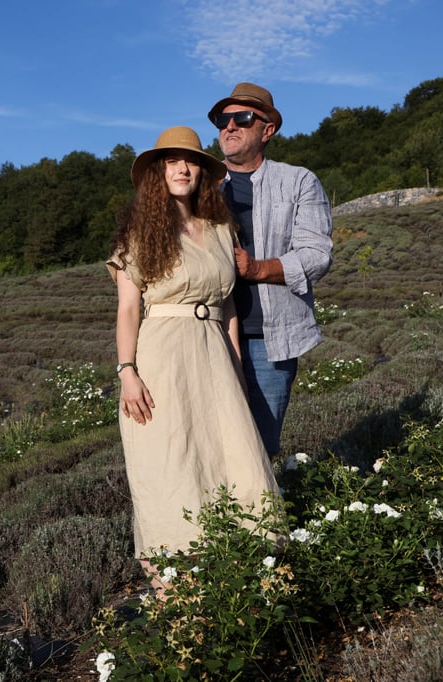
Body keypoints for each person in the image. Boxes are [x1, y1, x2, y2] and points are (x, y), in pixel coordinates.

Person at [106, 126, 279, 577]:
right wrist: (127, 371)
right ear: (157, 173)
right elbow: (128, 309)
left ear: (203, 170)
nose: (182, 168)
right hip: (163, 357)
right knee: (170, 464)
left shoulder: (222, 229)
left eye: (191, 160)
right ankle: (171, 594)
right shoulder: (138, 233)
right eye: (170, 161)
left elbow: (229, 311)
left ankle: (238, 585)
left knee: (232, 463)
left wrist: (238, 375)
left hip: (216, 355)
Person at [207, 82, 334, 458]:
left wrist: (257, 268)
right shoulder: (201, 186)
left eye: (242, 118)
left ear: (267, 129)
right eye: (221, 119)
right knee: (209, 446)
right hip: (208, 334)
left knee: (259, 448)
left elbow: (316, 254)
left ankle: (260, 515)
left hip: (269, 341)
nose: (229, 126)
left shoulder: (298, 181)